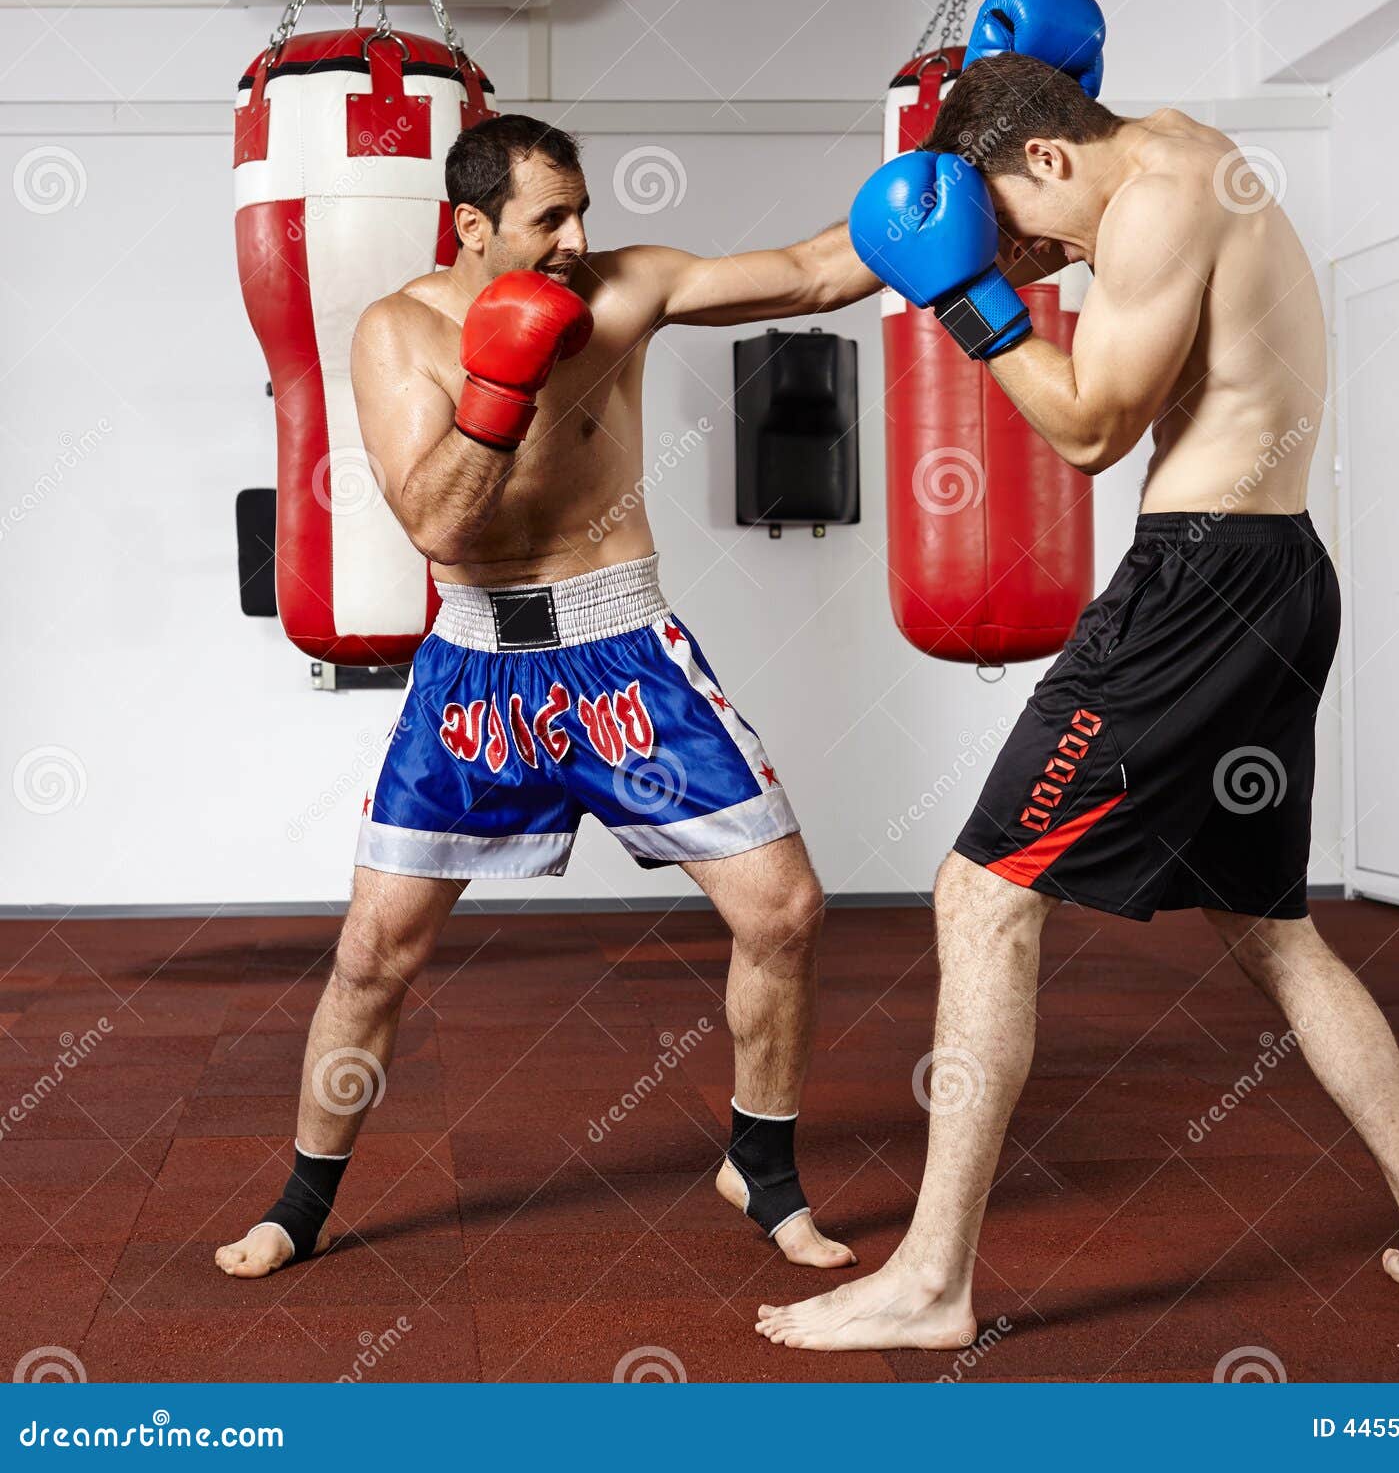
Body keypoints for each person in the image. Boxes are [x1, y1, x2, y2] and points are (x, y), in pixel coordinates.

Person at [756, 0, 1399, 1350]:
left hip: (1202, 582)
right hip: (1278, 575)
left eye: (1022, 232)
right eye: (1012, 260)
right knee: (1272, 929)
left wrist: (965, 299)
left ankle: (931, 1282)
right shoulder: (1185, 160)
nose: (1035, 261)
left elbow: (1093, 430)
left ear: (1044, 155)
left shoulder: (1153, 200)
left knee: (982, 895)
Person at [215, 114, 908, 1279]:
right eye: (550, 219)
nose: (579, 239)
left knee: (783, 907)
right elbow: (436, 522)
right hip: (476, 670)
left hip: (623, 649)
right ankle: (298, 1203)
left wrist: (957, 186)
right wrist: (502, 380)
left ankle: (765, 1165)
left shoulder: (626, 289)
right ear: (473, 226)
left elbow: (814, 267)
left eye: (582, 209)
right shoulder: (395, 332)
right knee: (374, 951)